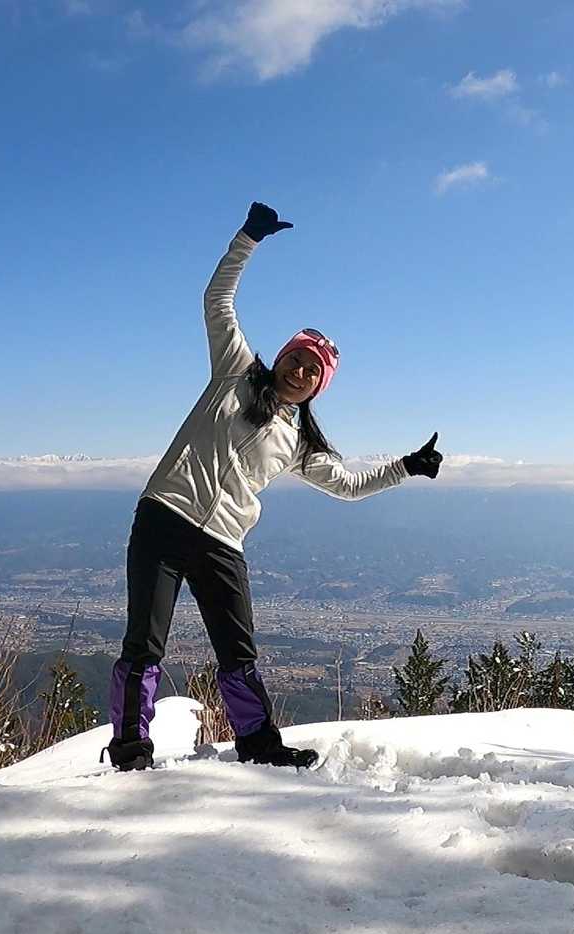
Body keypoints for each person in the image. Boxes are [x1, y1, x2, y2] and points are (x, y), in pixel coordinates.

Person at [104, 202, 443, 772]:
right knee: (145, 643)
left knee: (238, 653)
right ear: (280, 358)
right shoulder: (235, 371)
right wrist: (248, 239)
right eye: (295, 360)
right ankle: (132, 750)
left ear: (319, 388)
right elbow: (218, 299)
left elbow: (350, 484)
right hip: (164, 516)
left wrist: (405, 466)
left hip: (223, 543)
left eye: (313, 371)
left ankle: (259, 745)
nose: (300, 372)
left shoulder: (300, 442)